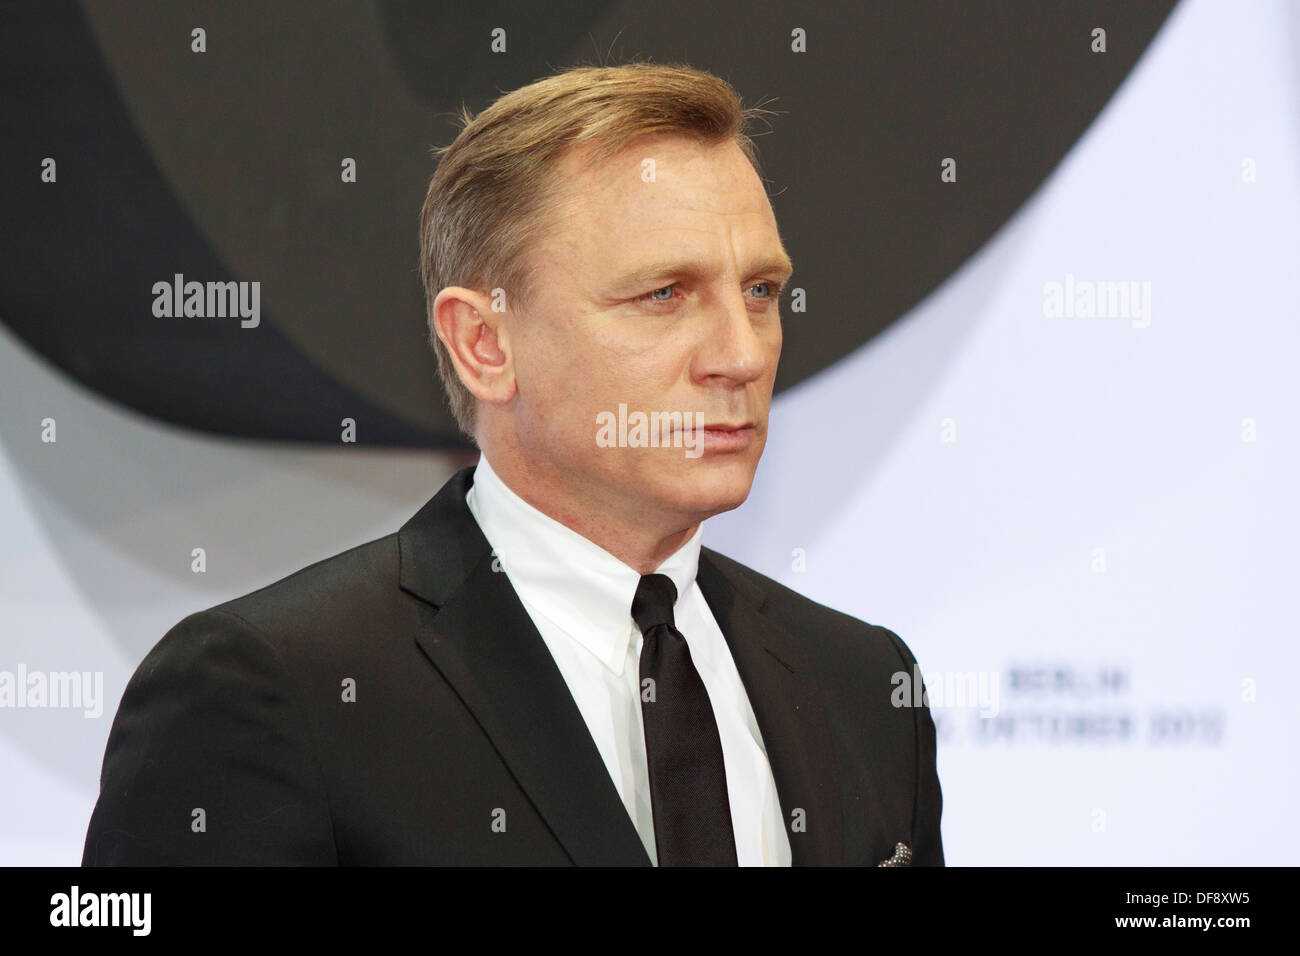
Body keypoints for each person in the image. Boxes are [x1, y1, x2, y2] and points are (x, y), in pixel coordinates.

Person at [82, 61, 943, 866]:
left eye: (760, 291)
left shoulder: (865, 687)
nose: (742, 354)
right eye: (663, 295)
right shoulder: (274, 693)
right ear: (485, 343)